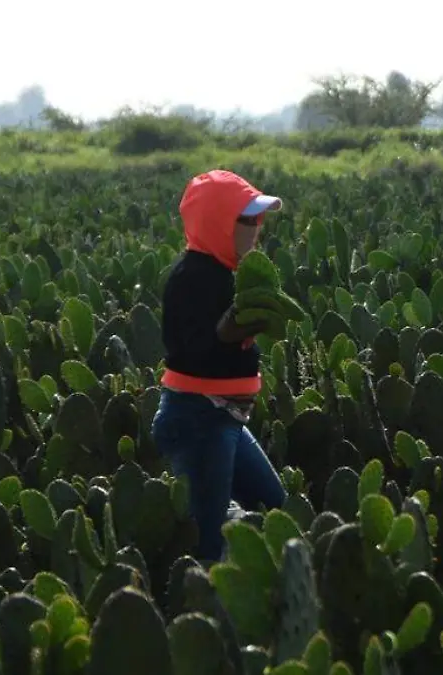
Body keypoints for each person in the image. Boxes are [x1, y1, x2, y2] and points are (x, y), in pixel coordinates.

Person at [152, 169, 287, 564]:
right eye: (247, 219)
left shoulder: (228, 275)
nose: (256, 228)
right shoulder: (191, 280)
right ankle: (198, 598)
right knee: (207, 542)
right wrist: (232, 327)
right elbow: (193, 349)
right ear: (218, 222)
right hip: (197, 420)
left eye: (259, 219)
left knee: (274, 507)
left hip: (227, 418)